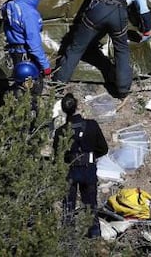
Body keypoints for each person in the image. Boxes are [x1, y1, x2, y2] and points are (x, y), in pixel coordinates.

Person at [54, 0, 151, 99]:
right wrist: (147, 31)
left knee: (76, 47)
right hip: (119, 14)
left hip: (98, 9)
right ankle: (123, 91)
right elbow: (144, 12)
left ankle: (59, 83)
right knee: (122, 52)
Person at [53, 93, 108, 237]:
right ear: (77, 106)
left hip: (69, 171)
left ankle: (67, 237)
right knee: (90, 206)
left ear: (64, 110)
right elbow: (104, 148)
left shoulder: (60, 132)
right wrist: (90, 156)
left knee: (68, 207)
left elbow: (57, 156)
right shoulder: (92, 125)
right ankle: (94, 236)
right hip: (88, 170)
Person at [1, 0, 52, 95]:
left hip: (14, 53)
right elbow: (33, 43)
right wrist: (46, 66)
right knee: (33, 90)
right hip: (27, 55)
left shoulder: (8, 6)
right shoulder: (29, 13)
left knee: (20, 84)